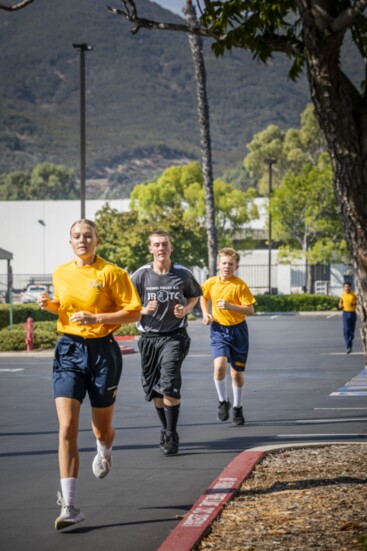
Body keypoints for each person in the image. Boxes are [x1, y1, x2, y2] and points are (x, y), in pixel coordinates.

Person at [38, 219, 141, 530]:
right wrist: (51, 306)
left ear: (97, 241)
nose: (82, 241)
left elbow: (134, 312)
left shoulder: (113, 273)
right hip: (68, 350)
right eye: (76, 237)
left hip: (102, 352)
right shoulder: (61, 272)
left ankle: (105, 447)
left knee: (101, 430)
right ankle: (69, 506)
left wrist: (96, 316)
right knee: (67, 425)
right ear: (70, 242)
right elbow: (66, 309)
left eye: (87, 236)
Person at [131, 230, 202, 456]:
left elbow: (194, 296)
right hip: (149, 338)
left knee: (169, 382)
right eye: (157, 245)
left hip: (175, 336)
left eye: (165, 244)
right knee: (155, 391)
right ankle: (165, 428)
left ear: (171, 248)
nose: (161, 248)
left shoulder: (182, 273)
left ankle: (171, 435)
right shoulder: (140, 275)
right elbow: (126, 304)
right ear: (150, 248)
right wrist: (143, 310)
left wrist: (186, 309)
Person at [200, 247, 256, 426]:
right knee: (219, 366)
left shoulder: (239, 285)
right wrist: (205, 313)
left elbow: (250, 310)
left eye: (231, 264)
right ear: (218, 264)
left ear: (236, 266)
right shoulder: (210, 283)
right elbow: (203, 296)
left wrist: (231, 306)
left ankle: (237, 407)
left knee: (237, 374)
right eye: (224, 263)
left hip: (238, 330)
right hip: (218, 329)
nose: (227, 266)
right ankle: (223, 401)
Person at [339, 281, 357, 354]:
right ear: (344, 287)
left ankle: (351, 338)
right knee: (346, 330)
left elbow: (358, 302)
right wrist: (340, 305)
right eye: (345, 287)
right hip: (345, 313)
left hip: (352, 313)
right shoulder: (342, 294)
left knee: (351, 331)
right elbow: (340, 302)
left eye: (348, 286)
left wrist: (353, 303)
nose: (346, 288)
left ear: (350, 287)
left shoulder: (354, 294)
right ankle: (348, 347)